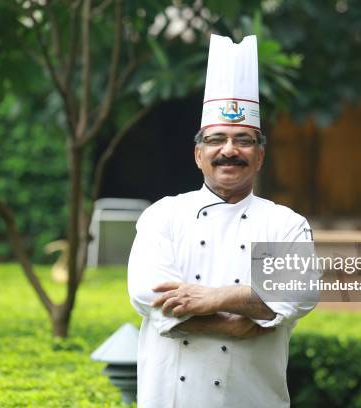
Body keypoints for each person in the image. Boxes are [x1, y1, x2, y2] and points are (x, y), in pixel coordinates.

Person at [127, 34, 319, 408]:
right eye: (217, 140)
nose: (229, 150)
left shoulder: (285, 224)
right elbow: (148, 295)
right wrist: (237, 320)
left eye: (243, 140)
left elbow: (298, 292)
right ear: (199, 154)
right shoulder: (162, 215)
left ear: (259, 156)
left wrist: (211, 297)